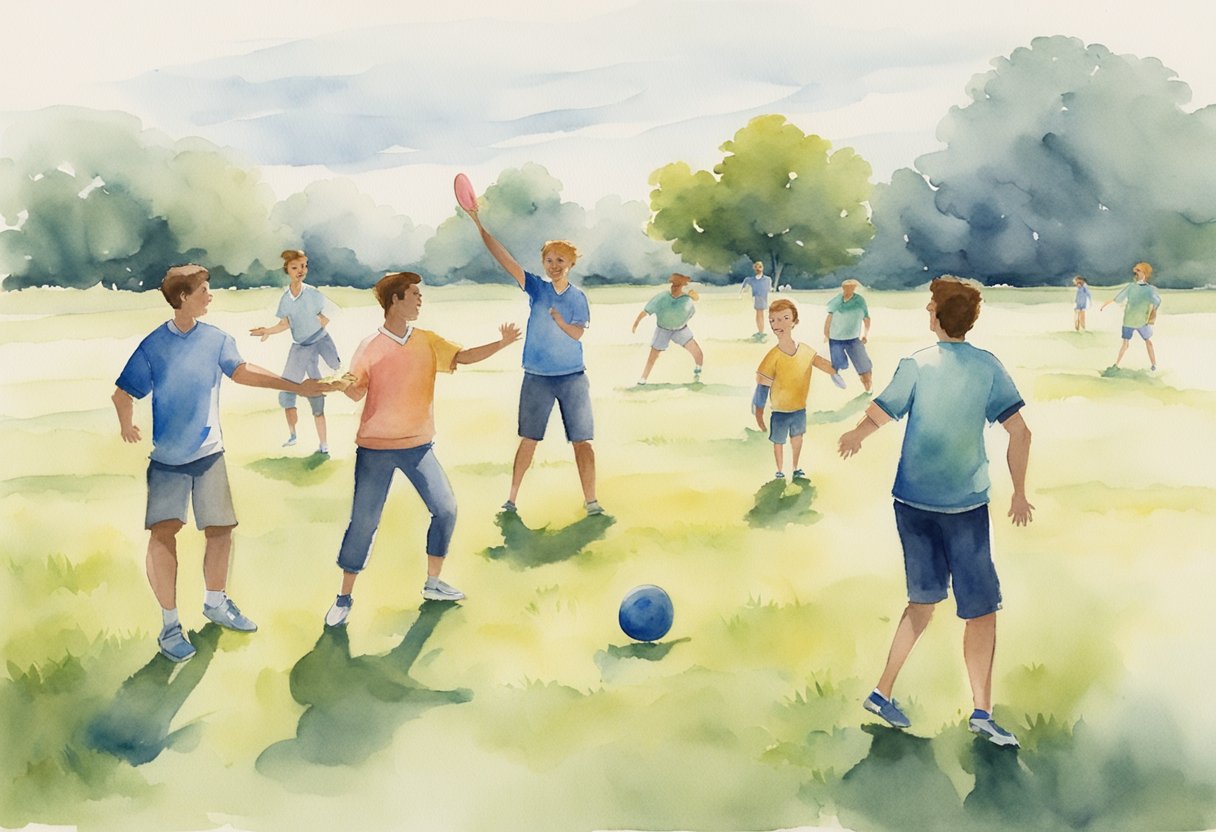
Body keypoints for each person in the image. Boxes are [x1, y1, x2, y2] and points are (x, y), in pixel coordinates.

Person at [837, 276, 1034, 747]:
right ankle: (982, 711)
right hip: (965, 505)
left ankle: (882, 691)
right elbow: (1021, 433)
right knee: (981, 611)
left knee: (922, 602)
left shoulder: (917, 365)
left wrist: (854, 437)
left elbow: (880, 413)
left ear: (935, 315)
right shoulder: (988, 367)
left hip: (912, 502)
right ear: (971, 319)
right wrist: (1020, 492)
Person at [112, 264, 336, 662]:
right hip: (167, 460)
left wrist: (295, 386)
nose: (210, 295)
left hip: (209, 454)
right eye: (204, 290)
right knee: (164, 535)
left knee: (220, 530)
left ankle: (215, 603)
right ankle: (169, 627)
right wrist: (127, 425)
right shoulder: (153, 345)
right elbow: (123, 393)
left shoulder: (216, 339)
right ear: (183, 297)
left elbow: (243, 372)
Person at [324, 272, 521, 626]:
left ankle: (433, 583)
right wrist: (341, 385)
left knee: (445, 510)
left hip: (418, 446)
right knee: (364, 523)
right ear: (395, 301)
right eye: (414, 294)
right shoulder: (370, 346)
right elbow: (356, 390)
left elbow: (463, 357)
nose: (420, 299)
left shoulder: (427, 341)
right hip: (375, 449)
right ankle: (343, 597)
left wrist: (502, 343)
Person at [464, 206, 603, 516]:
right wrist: (478, 223)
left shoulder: (577, 297)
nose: (554, 265)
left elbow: (578, 334)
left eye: (560, 260)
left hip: (572, 378)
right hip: (537, 377)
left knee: (583, 442)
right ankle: (511, 499)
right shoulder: (536, 288)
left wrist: (559, 321)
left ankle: (592, 502)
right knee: (528, 439)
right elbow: (505, 260)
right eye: (549, 260)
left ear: (571, 264)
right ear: (544, 262)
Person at [249, 250, 341, 454]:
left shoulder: (313, 293)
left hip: (320, 343)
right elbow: (285, 323)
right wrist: (268, 331)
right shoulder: (286, 299)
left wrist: (319, 326)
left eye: (303, 266)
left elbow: (331, 311)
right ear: (287, 270)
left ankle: (323, 444)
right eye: (295, 267)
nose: (301, 271)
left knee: (319, 393)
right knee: (287, 392)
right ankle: (293, 435)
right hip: (299, 348)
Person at [753, 299, 844, 480]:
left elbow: (824, 364)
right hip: (779, 410)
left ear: (794, 321)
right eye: (773, 320)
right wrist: (758, 412)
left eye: (784, 318)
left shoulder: (805, 350)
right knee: (778, 441)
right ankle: (780, 471)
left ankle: (795, 467)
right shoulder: (773, 356)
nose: (777, 324)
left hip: (799, 408)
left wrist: (836, 368)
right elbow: (762, 387)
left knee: (797, 439)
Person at [631, 273, 704, 385]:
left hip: (680, 330)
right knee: (653, 355)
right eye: (673, 285)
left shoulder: (687, 298)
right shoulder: (663, 297)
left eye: (677, 285)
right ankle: (643, 379)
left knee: (698, 353)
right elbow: (646, 311)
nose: (674, 287)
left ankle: (698, 372)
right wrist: (636, 323)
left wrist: (688, 292)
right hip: (663, 330)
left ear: (682, 286)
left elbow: (696, 299)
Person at [1101, 262, 1161, 370]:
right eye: (1136, 271)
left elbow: (1118, 299)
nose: (1136, 273)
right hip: (1138, 320)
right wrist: (1152, 311)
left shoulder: (1136, 287)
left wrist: (1108, 303)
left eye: (1138, 271)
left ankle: (1118, 365)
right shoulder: (1148, 289)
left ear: (1144, 273)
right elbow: (1157, 302)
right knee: (1140, 342)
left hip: (1134, 320)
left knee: (1133, 343)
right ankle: (1152, 365)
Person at [823, 278, 874, 392]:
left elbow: (866, 318)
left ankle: (868, 388)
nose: (848, 289)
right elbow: (829, 318)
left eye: (851, 287)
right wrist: (826, 334)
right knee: (837, 365)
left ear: (854, 288)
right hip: (835, 339)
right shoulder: (836, 301)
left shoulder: (860, 301)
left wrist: (865, 334)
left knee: (864, 366)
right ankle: (836, 377)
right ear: (843, 288)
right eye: (846, 287)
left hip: (853, 339)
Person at [739, 261, 772, 338]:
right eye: (756, 267)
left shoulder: (767, 279)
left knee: (760, 314)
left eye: (760, 267)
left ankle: (761, 332)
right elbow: (744, 287)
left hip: (762, 298)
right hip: (756, 298)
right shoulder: (751, 280)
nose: (758, 269)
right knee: (758, 314)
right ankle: (760, 332)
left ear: (763, 268)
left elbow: (769, 289)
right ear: (754, 268)